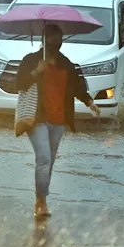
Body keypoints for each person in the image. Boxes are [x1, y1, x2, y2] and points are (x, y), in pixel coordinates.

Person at [16, 24, 101, 218]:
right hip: (37, 118)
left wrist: (89, 102)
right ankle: (41, 201)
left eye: (59, 41)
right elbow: (19, 84)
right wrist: (37, 72)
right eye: (51, 42)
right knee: (44, 158)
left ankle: (41, 195)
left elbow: (77, 87)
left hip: (59, 119)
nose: (55, 45)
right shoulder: (31, 60)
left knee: (50, 161)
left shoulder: (66, 64)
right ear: (43, 41)